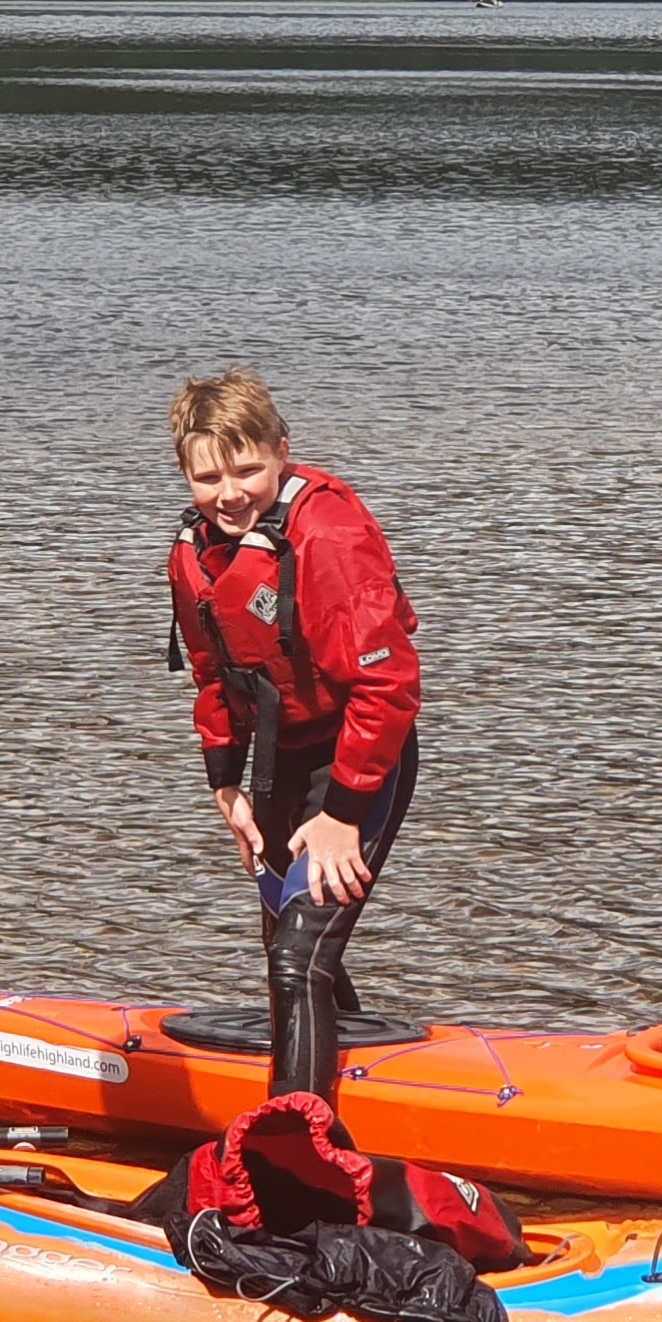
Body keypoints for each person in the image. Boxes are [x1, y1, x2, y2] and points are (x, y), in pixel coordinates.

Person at [163, 369, 423, 1104]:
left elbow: (388, 687)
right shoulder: (195, 549)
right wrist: (226, 782)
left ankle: (294, 1146)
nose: (230, 493)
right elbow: (216, 674)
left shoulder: (330, 538)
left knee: (297, 957)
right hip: (280, 760)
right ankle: (357, 1095)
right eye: (208, 476)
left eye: (248, 469)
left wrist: (341, 815)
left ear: (282, 452)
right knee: (289, 942)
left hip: (358, 755)